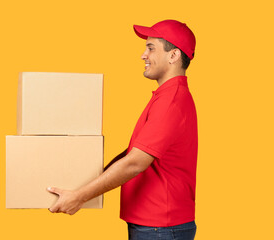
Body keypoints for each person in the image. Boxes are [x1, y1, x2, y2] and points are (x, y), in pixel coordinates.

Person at [47, 19, 198, 240]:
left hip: (161, 227)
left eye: (150, 47)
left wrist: (80, 196)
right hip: (156, 225)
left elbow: (136, 162)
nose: (143, 55)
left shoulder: (171, 101)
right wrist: (85, 181)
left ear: (173, 55)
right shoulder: (166, 97)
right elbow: (132, 153)